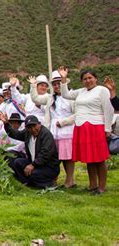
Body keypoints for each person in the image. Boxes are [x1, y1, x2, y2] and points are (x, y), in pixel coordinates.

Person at [59, 67, 114, 195]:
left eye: (90, 78)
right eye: (85, 79)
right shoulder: (81, 92)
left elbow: (108, 109)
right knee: (89, 157)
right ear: (82, 81)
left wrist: (107, 128)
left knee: (99, 158)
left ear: (96, 79)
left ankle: (102, 187)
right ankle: (92, 185)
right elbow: (65, 94)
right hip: (81, 127)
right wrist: (63, 79)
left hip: (96, 126)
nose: (88, 80)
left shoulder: (102, 90)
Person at [30, 71, 76, 188]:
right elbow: (36, 99)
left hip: (66, 131)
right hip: (53, 131)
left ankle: (70, 180)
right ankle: (52, 179)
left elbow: (77, 114)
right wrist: (33, 85)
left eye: (59, 83)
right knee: (53, 158)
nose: (56, 86)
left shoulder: (71, 97)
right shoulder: (50, 98)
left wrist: (64, 122)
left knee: (67, 157)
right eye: (54, 84)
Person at [0, 113, 60, 188]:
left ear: (39, 124)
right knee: (17, 162)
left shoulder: (46, 134)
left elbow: (45, 154)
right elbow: (16, 134)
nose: (33, 129)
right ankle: (27, 182)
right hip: (35, 163)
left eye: (34, 126)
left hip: (48, 167)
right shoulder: (28, 132)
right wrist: (6, 123)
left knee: (33, 174)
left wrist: (33, 165)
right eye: (29, 127)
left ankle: (50, 183)